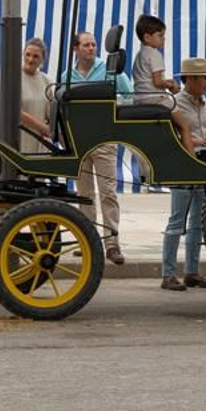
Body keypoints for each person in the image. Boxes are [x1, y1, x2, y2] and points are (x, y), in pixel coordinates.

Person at [62, 31, 133, 264]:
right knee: (85, 194)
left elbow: (129, 96)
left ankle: (112, 244)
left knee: (108, 193)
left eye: (93, 44)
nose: (91, 48)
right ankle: (89, 241)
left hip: (103, 140)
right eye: (86, 45)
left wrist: (112, 109)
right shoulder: (67, 76)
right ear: (76, 49)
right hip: (80, 142)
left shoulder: (110, 71)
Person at [161, 58, 206, 291]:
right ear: (191, 80)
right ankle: (168, 273)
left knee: (197, 222)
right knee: (177, 221)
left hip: (202, 163)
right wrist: (197, 140)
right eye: (204, 78)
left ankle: (192, 271)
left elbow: (204, 129)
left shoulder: (204, 103)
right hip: (183, 166)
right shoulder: (174, 103)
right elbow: (173, 136)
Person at [18, 38, 56, 154]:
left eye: (35, 56)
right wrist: (44, 128)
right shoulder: (13, 77)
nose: (30, 59)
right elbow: (15, 112)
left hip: (40, 144)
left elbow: (51, 115)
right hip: (18, 141)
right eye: (28, 55)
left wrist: (50, 132)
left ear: (43, 60)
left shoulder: (47, 81)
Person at [132, 14, 179, 106]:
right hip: (154, 98)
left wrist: (166, 82)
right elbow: (157, 82)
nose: (164, 39)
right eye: (160, 35)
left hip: (139, 99)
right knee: (177, 109)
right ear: (147, 38)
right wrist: (171, 85)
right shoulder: (155, 54)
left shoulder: (139, 55)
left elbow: (147, 78)